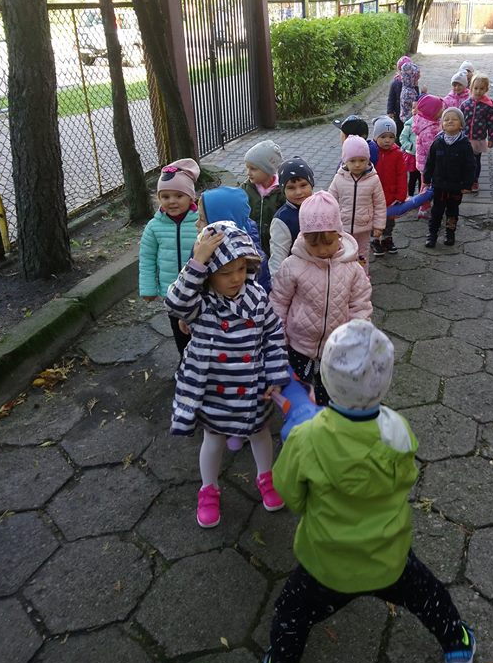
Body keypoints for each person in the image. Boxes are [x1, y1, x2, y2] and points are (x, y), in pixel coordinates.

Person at [263, 320, 476, 663]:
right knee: (427, 594)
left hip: (326, 563)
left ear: (324, 380)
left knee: (291, 611)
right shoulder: (398, 430)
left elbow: (289, 492)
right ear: (386, 381)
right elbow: (406, 478)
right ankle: (457, 645)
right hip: (388, 555)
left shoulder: (305, 438)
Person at [166, 220, 289, 528]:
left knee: (260, 432)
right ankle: (208, 489)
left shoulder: (257, 296)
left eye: (241, 269)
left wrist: (275, 374)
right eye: (225, 272)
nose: (236, 278)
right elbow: (175, 303)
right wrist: (197, 261)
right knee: (213, 438)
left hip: (252, 386)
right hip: (214, 389)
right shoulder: (200, 303)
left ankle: (266, 476)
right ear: (208, 273)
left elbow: (273, 334)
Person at [270, 191, 372, 406]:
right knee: (299, 396)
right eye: (314, 244)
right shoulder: (292, 265)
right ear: (303, 237)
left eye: (328, 242)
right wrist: (279, 340)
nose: (322, 250)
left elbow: (360, 305)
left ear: (339, 234)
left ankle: (326, 418)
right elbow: (278, 302)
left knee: (330, 395)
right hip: (299, 345)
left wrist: (357, 338)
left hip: (336, 347)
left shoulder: (352, 268)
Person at [139, 158, 200, 355]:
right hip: (171, 293)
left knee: (202, 330)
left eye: (178, 195)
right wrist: (148, 288)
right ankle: (185, 361)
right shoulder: (154, 226)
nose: (171, 201)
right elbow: (147, 259)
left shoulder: (200, 222)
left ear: (191, 197)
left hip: (199, 291)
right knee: (180, 333)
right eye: (165, 196)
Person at [328, 136, 386, 274]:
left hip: (364, 227)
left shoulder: (373, 179)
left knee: (362, 254)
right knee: (342, 252)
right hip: (343, 227)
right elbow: (330, 201)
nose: (358, 165)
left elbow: (379, 203)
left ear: (368, 160)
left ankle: (362, 275)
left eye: (362, 160)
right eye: (352, 161)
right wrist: (329, 224)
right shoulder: (339, 178)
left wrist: (378, 225)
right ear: (345, 161)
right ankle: (343, 275)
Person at [197, 186, 271, 293]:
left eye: (202, 219)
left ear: (220, 223)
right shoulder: (202, 249)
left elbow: (260, 294)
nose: (196, 224)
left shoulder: (253, 259)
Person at [423, 107, 475, 248]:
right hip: (439, 186)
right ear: (442, 124)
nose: (450, 121)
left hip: (456, 186)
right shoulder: (437, 142)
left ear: (461, 124)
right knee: (436, 211)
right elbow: (430, 162)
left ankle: (450, 233)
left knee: (452, 211)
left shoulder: (465, 145)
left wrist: (467, 184)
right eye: (446, 119)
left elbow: (470, 166)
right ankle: (432, 234)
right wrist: (426, 179)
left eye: (454, 119)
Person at [268, 157, 315, 278]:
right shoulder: (282, 219)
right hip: (297, 278)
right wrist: (277, 283)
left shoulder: (321, 207)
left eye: (303, 185)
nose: (298, 192)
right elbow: (278, 257)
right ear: (283, 190)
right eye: (291, 187)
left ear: (311, 184)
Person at [370, 115, 407, 256]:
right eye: (383, 136)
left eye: (391, 137)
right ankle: (375, 240)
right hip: (373, 195)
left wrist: (401, 195)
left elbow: (402, 175)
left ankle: (387, 238)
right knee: (374, 219)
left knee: (389, 220)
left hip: (390, 195)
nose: (387, 140)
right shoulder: (371, 152)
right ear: (375, 137)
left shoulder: (398, 154)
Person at [242, 139, 285, 255]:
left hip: (275, 248)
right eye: (247, 168)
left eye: (253, 169)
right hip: (251, 247)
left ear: (268, 169)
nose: (248, 173)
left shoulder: (281, 192)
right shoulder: (245, 189)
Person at [460, 73, 493, 194]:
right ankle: (465, 182)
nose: (478, 91)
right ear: (471, 88)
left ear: (486, 89)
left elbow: (491, 123)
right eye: (475, 88)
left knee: (475, 161)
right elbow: (459, 120)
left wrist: (491, 138)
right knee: (464, 161)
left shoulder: (487, 106)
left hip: (478, 139)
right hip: (465, 139)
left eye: (481, 88)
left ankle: (474, 181)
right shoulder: (465, 104)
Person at [412, 93, 445, 220]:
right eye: (440, 109)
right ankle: (423, 208)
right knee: (426, 185)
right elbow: (432, 150)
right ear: (432, 112)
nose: (442, 110)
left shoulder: (428, 122)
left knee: (426, 184)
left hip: (426, 163)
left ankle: (424, 205)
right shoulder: (428, 130)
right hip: (428, 164)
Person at [386, 55, 411, 136]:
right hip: (398, 111)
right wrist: (390, 111)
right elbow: (391, 98)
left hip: (410, 111)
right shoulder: (396, 83)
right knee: (399, 129)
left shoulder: (412, 82)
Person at [399, 103, 420, 196]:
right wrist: (410, 146)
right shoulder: (409, 124)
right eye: (413, 108)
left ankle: (421, 197)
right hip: (412, 155)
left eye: (418, 108)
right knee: (413, 177)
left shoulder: (427, 123)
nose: (415, 110)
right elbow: (402, 138)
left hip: (422, 156)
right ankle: (410, 195)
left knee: (422, 178)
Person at [399, 60, 421, 126]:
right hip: (410, 122)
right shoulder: (409, 92)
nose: (417, 80)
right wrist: (423, 94)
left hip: (408, 119)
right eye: (416, 79)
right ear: (411, 79)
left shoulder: (406, 87)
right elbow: (419, 104)